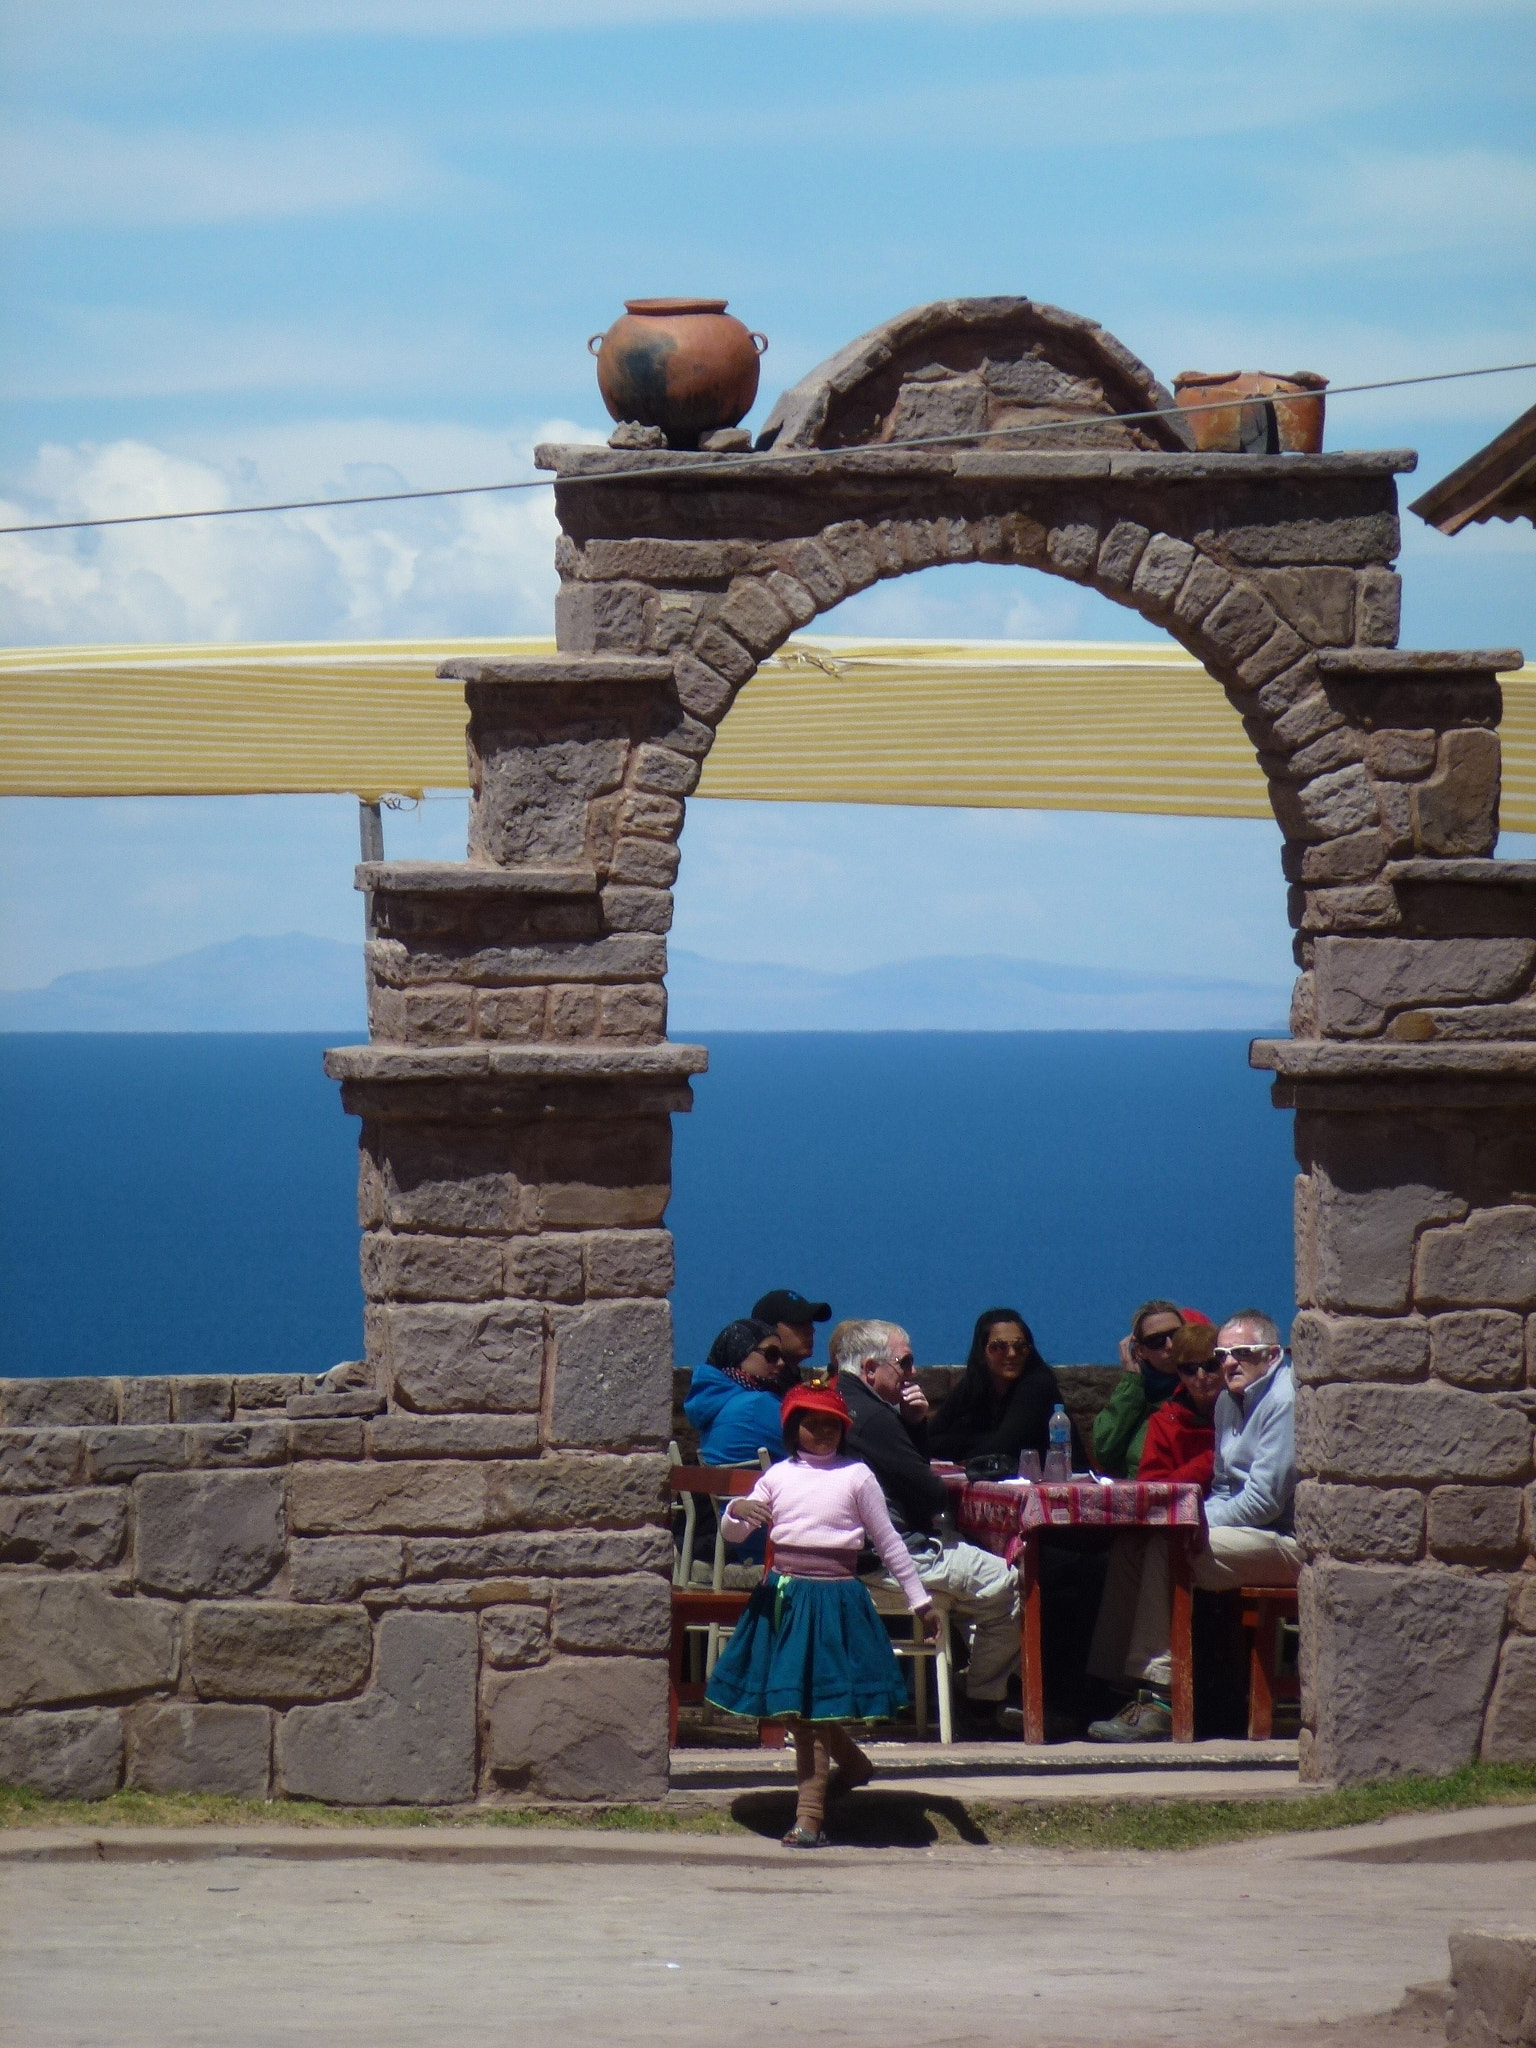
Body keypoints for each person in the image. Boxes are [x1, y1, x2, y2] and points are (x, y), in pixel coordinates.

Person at [706, 1381, 939, 1848]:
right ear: (793, 1430)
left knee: (812, 1710)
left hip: (835, 1602)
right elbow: (734, 1533)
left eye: (831, 1424)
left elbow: (889, 1540)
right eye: (812, 1424)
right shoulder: (777, 1478)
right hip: (785, 1601)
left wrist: (920, 1599)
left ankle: (810, 1816)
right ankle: (850, 1767)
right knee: (801, 1706)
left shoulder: (856, 1476)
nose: (823, 1432)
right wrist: (738, 1510)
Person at [1086, 1310, 1299, 1743]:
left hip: (1288, 1542)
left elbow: (1263, 1502)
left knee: (1169, 1545)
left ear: (1273, 1355)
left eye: (1242, 1353)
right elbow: (1222, 1486)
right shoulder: (1228, 1402)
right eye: (1223, 1354)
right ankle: (1113, 1686)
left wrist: (1187, 1519)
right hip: (1243, 1533)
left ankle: (1160, 1695)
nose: (1228, 1364)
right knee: (1135, 1543)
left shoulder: (1284, 1402)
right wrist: (1189, 1518)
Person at [834, 1318, 1025, 1733]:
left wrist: (912, 1423)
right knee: (1012, 1582)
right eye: (904, 1363)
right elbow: (929, 1494)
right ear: (870, 1369)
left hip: (845, 1556)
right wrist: (914, 1426)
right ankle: (981, 1700)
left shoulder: (835, 1404)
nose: (913, 1373)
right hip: (888, 1561)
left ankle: (957, 1687)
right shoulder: (874, 1418)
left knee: (973, 1576)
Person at [929, 1308, 1082, 1468]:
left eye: (1020, 1346)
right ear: (982, 1351)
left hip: (1060, 1484)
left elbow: (1002, 1449)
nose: (1011, 1354)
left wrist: (963, 1442)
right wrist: (982, 1441)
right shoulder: (973, 1384)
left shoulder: (1038, 1385)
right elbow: (928, 1440)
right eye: (999, 1347)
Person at [1092, 1301, 1213, 1478]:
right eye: (1156, 1341)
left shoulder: (1206, 1384)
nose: (1170, 1345)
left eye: (1176, 1335)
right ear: (1140, 1350)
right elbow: (1103, 1452)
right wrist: (1131, 1384)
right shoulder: (1135, 1391)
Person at [684, 1319, 799, 1468]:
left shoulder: (715, 1403)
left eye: (781, 1355)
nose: (781, 1362)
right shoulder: (757, 1404)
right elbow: (814, 1446)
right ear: (740, 1352)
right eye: (772, 1354)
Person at [751, 1289, 832, 1374]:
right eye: (799, 1323)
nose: (811, 1330)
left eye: (810, 1322)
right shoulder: (750, 1384)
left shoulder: (813, 1381)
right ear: (769, 1330)